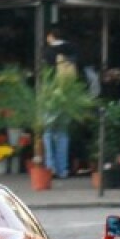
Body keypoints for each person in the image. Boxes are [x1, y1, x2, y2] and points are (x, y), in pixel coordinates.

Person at [41, 28, 79, 179]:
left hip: (52, 96)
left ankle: (51, 167)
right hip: (69, 95)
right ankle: (63, 169)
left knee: (48, 132)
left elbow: (47, 75)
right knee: (63, 133)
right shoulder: (74, 50)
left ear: (51, 36)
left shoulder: (48, 52)